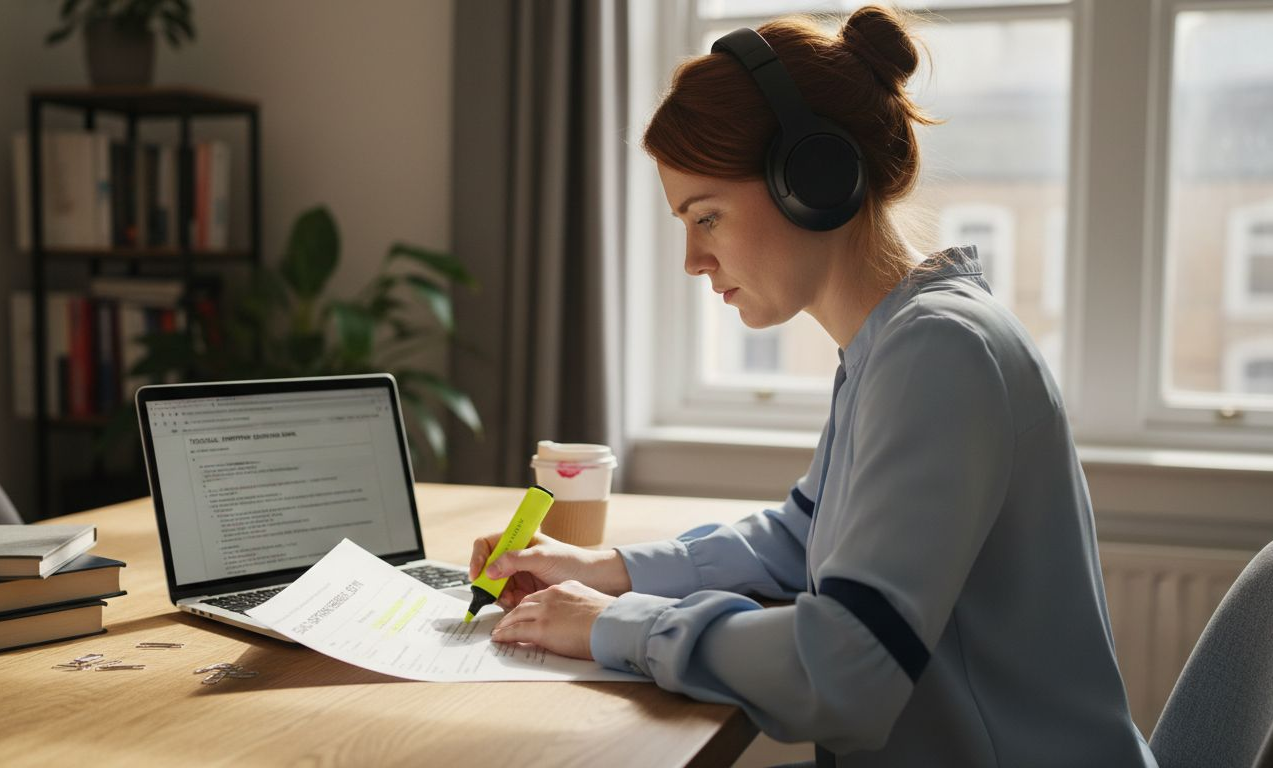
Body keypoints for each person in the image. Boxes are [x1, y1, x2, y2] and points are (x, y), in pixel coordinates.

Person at [470, 6, 1158, 765]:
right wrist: (609, 570)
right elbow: (805, 536)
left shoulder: (940, 352)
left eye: (707, 218)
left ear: (812, 179)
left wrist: (615, 624)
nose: (693, 260)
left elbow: (845, 671)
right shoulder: (895, 341)